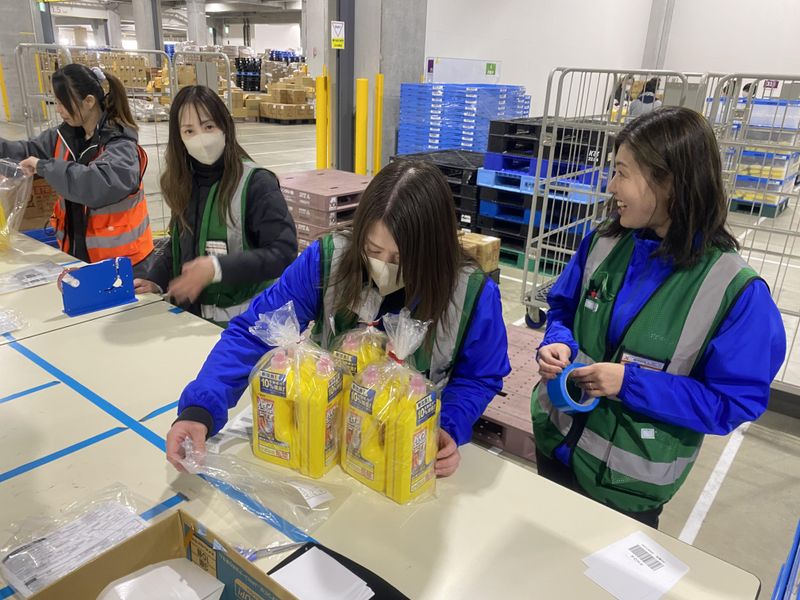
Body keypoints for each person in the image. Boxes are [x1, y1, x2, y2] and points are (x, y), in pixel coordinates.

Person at [165, 159, 511, 476]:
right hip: (326, 442)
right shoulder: (327, 261)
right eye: (373, 250)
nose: (384, 266)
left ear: (433, 252)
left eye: (401, 258)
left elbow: (479, 377)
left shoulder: (470, 293)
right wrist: (201, 409)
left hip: (405, 456)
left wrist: (446, 425)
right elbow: (254, 331)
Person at [533, 107, 786, 528]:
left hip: (625, 489)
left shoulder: (736, 292)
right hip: (554, 444)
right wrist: (557, 341)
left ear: (670, 183)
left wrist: (629, 384)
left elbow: (733, 402)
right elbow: (563, 307)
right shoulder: (603, 243)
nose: (611, 186)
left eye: (622, 173)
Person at [133, 85, 297, 324]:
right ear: (179, 138)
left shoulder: (256, 183)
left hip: (241, 327)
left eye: (208, 126)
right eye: (189, 131)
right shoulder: (184, 182)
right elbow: (180, 243)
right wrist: (155, 280)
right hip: (190, 321)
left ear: (224, 126)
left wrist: (216, 268)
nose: (201, 138)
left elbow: (284, 252)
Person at [0, 64, 154, 275]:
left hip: (126, 266)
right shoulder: (65, 136)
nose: (58, 109)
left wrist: (44, 166)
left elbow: (97, 185)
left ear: (89, 101)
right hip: (79, 257)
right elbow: (24, 152)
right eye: (56, 102)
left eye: (63, 103)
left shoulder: (121, 145)